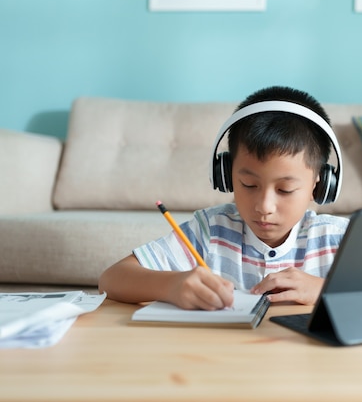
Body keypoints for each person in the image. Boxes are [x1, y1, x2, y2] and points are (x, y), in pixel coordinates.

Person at [98, 86, 348, 311]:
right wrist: (170, 285)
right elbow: (112, 279)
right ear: (226, 175)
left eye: (285, 190)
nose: (264, 207)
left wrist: (326, 289)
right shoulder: (210, 230)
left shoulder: (338, 238)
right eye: (249, 184)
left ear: (321, 184)